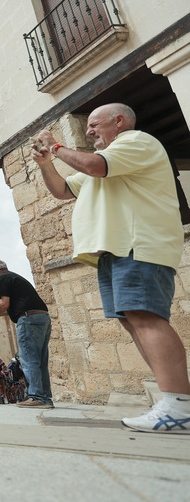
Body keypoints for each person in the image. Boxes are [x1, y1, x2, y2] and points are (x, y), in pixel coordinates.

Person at [33, 103, 190, 433]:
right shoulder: (104, 162)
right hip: (115, 251)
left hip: (138, 244)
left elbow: (94, 166)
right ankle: (172, 402)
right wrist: (48, 163)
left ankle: (180, 406)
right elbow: (62, 190)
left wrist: (57, 146)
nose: (88, 131)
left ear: (118, 121)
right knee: (134, 321)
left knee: (146, 318)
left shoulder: (135, 142)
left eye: (93, 124)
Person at [0, 259, 53, 409]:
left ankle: (37, 397)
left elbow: (4, 304)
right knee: (40, 360)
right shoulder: (15, 277)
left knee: (28, 359)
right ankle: (45, 398)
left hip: (28, 320)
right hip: (42, 318)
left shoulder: (3, 278)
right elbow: (12, 308)